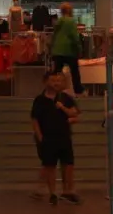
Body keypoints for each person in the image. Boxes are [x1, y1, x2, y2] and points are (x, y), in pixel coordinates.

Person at [31, 70, 81, 205]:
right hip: (48, 137)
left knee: (68, 164)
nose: (56, 83)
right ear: (46, 82)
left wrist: (64, 109)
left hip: (64, 136)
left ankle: (67, 191)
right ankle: (52, 192)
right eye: (53, 80)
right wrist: (39, 136)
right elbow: (34, 119)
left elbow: (75, 113)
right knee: (49, 166)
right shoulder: (40, 100)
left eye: (59, 81)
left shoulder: (65, 98)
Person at [50, 2, 83, 93]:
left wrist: (52, 49)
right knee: (74, 71)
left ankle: (53, 88)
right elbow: (74, 36)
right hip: (69, 50)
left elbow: (54, 36)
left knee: (56, 72)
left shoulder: (58, 22)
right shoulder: (71, 21)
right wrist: (79, 48)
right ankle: (78, 90)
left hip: (57, 50)